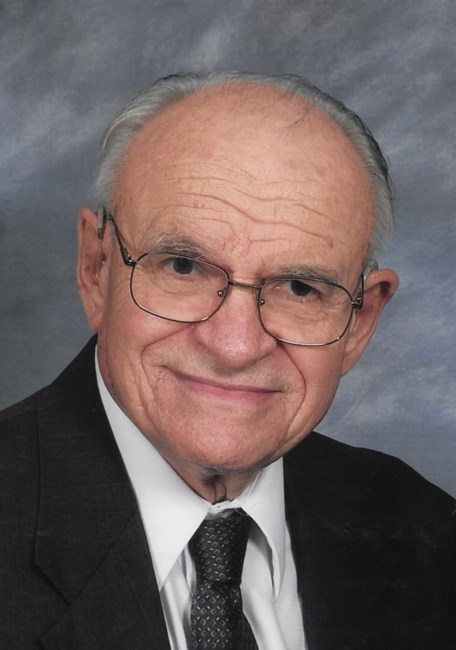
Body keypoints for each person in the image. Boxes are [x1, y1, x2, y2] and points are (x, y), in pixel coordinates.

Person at [1, 71, 455, 650]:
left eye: (299, 287)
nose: (236, 346)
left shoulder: (430, 539)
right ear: (96, 268)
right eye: (183, 267)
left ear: (359, 323)